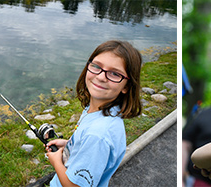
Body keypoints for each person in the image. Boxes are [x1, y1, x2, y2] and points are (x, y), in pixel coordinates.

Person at [44, 40, 142, 186]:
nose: (101, 77)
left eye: (115, 73)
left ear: (126, 86)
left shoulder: (98, 135)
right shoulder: (101, 111)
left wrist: (56, 161)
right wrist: (69, 144)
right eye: (96, 66)